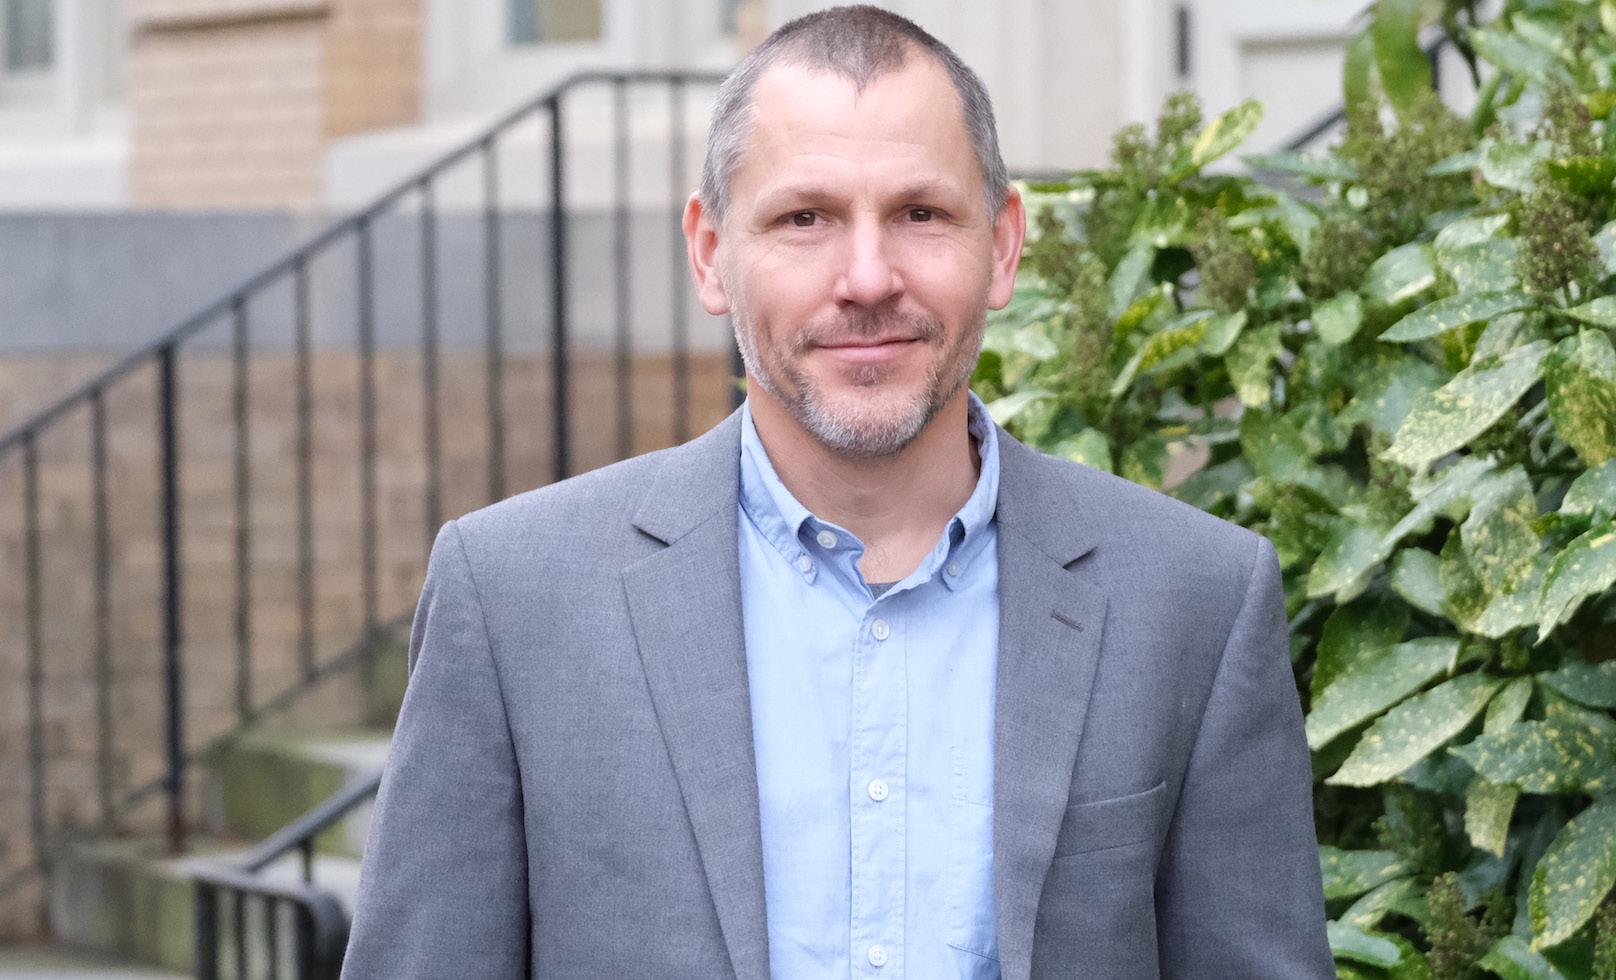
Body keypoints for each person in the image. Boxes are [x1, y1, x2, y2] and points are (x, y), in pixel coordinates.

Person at [341, 6, 1332, 978]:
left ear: (1003, 245)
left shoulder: (1194, 600)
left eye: (919, 214)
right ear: (709, 253)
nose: (866, 277)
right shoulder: (512, 599)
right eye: (803, 218)